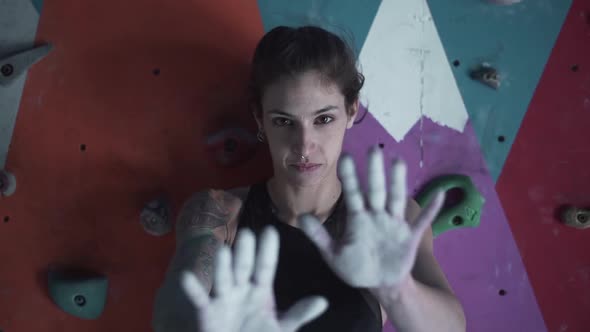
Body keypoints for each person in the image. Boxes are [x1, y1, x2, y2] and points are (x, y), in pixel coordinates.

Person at [151, 26, 466, 332]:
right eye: (284, 121)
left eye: (324, 119)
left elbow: (451, 328)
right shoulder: (220, 213)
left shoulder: (388, 220)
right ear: (260, 118)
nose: (304, 145)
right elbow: (173, 309)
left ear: (352, 110)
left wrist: (398, 291)